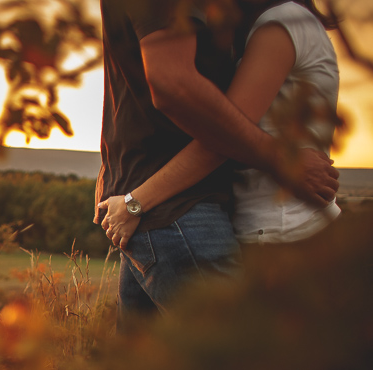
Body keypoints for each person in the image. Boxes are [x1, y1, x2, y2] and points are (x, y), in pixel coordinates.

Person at [93, 0, 339, 326]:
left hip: (262, 229)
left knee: (175, 368)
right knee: (228, 366)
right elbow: (211, 124)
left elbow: (219, 129)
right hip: (180, 213)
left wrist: (133, 199)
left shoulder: (280, 24)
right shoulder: (268, 26)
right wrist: (135, 202)